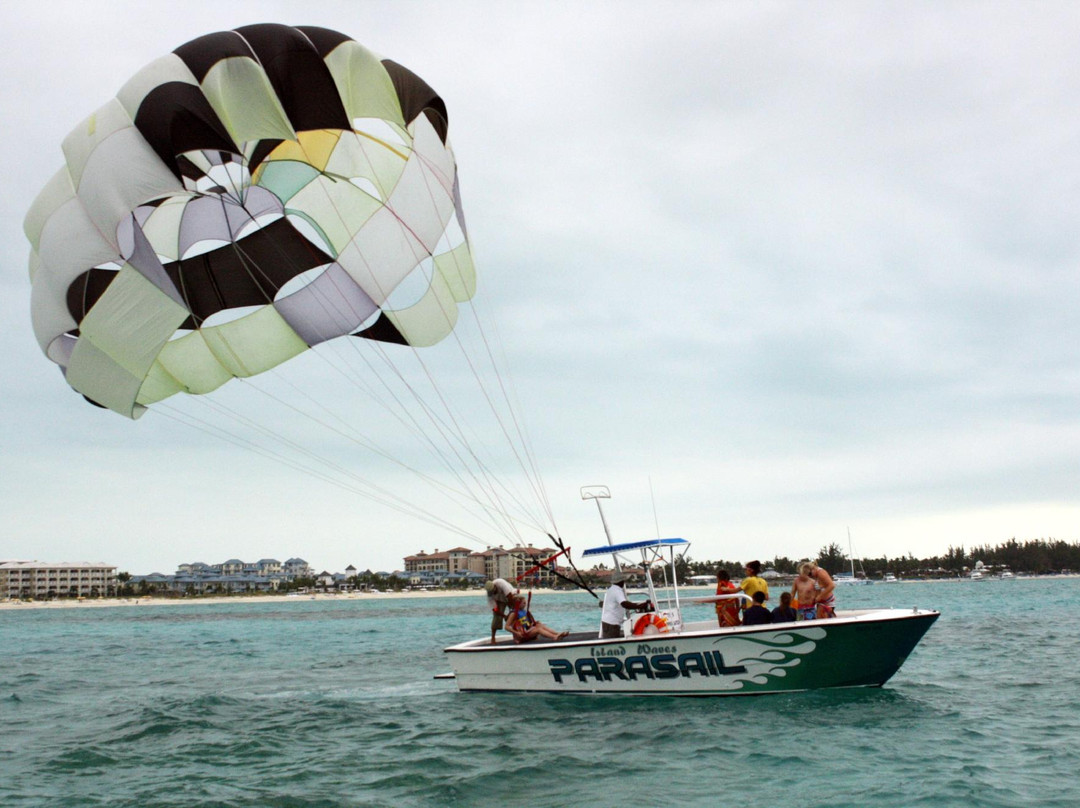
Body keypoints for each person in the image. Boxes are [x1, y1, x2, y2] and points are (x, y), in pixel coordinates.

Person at [600, 569, 652, 639]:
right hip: (612, 624)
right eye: (623, 581)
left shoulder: (611, 589)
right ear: (621, 581)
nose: (624, 582)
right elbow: (624, 604)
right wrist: (640, 606)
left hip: (607, 622)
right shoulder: (617, 591)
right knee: (612, 644)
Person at [485, 578, 517, 644]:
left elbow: (509, 596)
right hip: (500, 599)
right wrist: (504, 616)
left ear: (495, 586)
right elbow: (495, 609)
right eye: (492, 593)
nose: (493, 593)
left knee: (515, 613)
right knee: (496, 617)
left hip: (511, 595)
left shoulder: (500, 583)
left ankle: (517, 634)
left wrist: (510, 612)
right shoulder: (489, 595)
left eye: (494, 591)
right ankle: (493, 638)